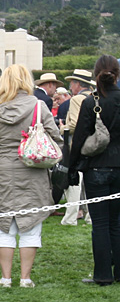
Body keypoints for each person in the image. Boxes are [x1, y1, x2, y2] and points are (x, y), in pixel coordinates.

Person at [0, 64, 63, 288]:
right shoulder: (38, 106)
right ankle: (25, 278)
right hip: (33, 170)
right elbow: (55, 138)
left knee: (3, 225)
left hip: (3, 169)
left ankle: (5, 278)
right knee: (31, 224)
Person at [70, 54, 120, 286]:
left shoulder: (92, 102)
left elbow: (79, 138)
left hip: (97, 168)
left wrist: (71, 168)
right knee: (116, 223)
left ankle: (102, 274)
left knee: (100, 223)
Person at [61, 69, 96, 226]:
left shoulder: (76, 100)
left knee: (74, 183)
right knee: (87, 183)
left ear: (77, 84)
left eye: (72, 82)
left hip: (77, 144)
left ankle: (70, 216)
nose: (70, 85)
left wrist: (62, 128)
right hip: (92, 144)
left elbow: (75, 124)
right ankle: (89, 216)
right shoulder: (95, 97)